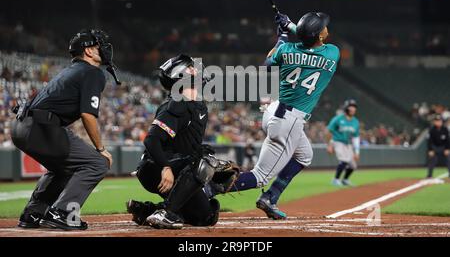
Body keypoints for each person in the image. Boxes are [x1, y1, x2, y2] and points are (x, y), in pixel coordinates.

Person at [205, 12, 340, 220]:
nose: (326, 29)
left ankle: (270, 197)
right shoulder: (332, 53)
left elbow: (268, 65)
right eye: (323, 27)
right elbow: (308, 39)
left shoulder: (286, 50)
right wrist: (291, 26)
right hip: (289, 121)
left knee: (305, 155)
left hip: (273, 112)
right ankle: (207, 189)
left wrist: (283, 36)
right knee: (259, 176)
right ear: (320, 36)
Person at [10, 29, 120, 230]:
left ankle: (33, 214)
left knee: (64, 168)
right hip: (41, 127)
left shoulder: (71, 70)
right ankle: (63, 213)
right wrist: (101, 148)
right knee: (97, 163)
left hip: (21, 126)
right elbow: (88, 115)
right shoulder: (93, 72)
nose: (103, 49)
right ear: (88, 51)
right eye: (98, 46)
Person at [126, 55, 238, 229]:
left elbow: (180, 144)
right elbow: (152, 140)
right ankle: (167, 213)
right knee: (204, 161)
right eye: (192, 68)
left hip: (172, 166)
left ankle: (146, 210)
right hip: (155, 167)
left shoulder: (195, 105)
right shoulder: (178, 104)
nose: (197, 71)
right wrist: (166, 167)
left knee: (206, 217)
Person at [326, 99, 360, 186]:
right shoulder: (338, 119)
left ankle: (345, 180)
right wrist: (329, 145)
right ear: (346, 108)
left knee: (353, 166)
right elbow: (329, 131)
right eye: (350, 106)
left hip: (348, 144)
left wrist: (357, 152)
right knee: (344, 160)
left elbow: (356, 137)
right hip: (337, 142)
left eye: (354, 107)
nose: (352, 109)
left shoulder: (355, 121)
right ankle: (336, 179)